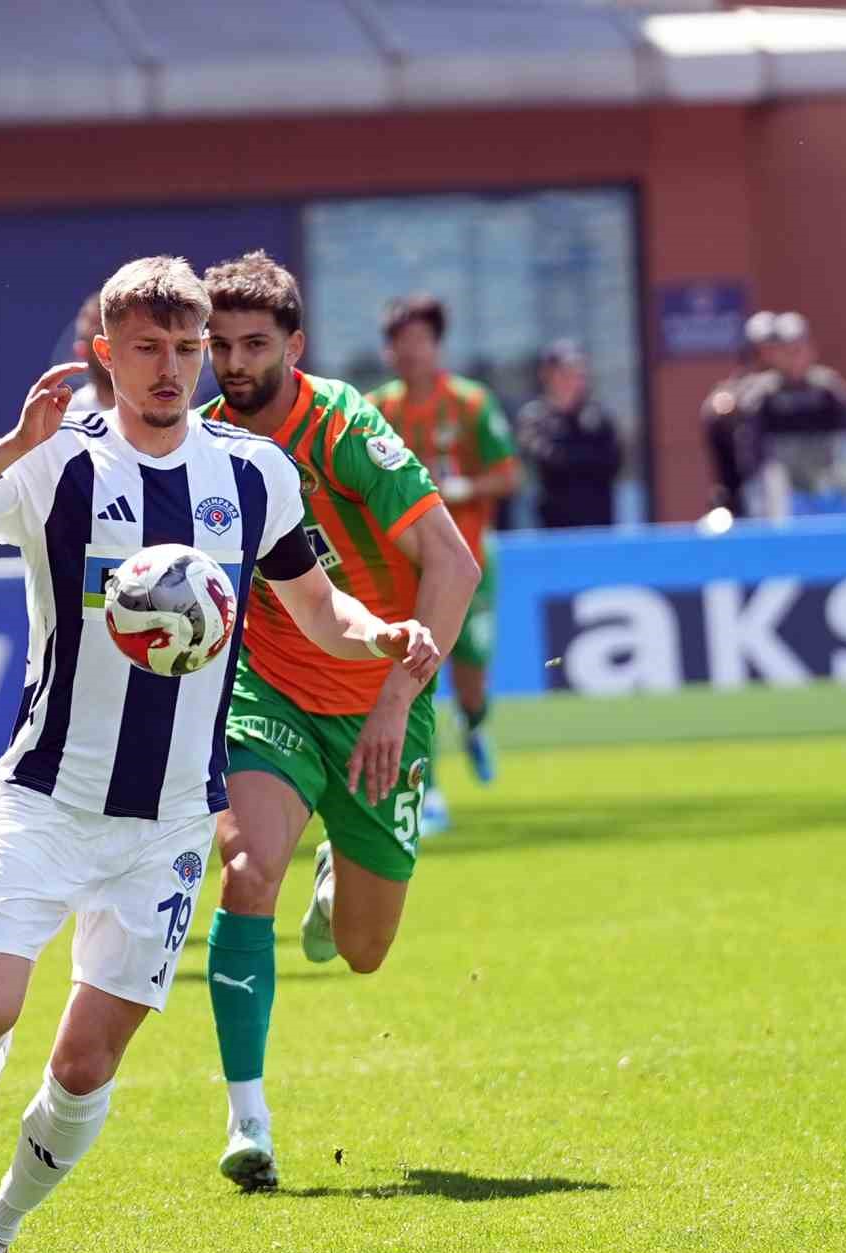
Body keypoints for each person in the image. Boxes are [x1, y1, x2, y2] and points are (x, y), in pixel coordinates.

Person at [0, 256, 444, 1253]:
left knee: (87, 1063)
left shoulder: (249, 473)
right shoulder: (56, 463)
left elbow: (321, 608)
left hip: (169, 824)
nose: (173, 369)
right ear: (103, 351)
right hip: (45, 798)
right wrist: (14, 442)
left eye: (188, 350)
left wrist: (384, 635)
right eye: (148, 348)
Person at [197, 251, 479, 1190]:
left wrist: (398, 696)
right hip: (267, 692)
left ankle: (335, 882)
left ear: (295, 345)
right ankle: (249, 1120)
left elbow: (454, 566)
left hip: (378, 703)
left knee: (363, 951)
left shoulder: (345, 427)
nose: (233, 362)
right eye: (219, 344)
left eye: (253, 344)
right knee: (246, 868)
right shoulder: (196, 441)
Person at [367, 294, 519, 837]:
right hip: (402, 567)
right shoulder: (375, 409)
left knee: (471, 670)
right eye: (400, 342)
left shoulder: (472, 404)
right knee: (412, 672)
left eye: (420, 341)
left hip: (469, 559)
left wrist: (460, 488)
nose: (410, 352)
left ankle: (476, 724)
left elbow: (508, 476)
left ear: (436, 346)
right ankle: (425, 792)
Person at [735, 312, 846, 519]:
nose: (794, 357)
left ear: (811, 350)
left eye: (799, 349)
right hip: (780, 490)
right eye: (787, 351)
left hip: (825, 484)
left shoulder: (829, 389)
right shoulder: (762, 394)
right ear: (775, 355)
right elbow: (750, 450)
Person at [516, 339, 624, 529]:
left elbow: (612, 461)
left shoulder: (599, 417)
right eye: (565, 374)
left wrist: (572, 455)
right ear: (547, 375)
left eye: (579, 375)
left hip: (599, 525)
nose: (573, 381)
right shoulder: (534, 418)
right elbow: (546, 459)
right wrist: (582, 455)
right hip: (552, 528)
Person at [702, 312, 777, 518]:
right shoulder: (734, 388)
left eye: (776, 346)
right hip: (748, 489)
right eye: (765, 347)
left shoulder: (803, 385)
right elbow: (715, 409)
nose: (772, 353)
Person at [66, 290, 115, 413]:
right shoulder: (71, 414)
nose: (115, 350)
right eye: (101, 334)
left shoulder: (165, 406)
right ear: (81, 351)